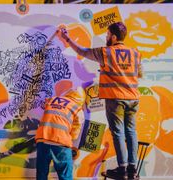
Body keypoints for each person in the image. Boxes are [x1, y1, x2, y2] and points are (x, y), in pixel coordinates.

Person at [57, 22, 143, 179]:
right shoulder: (135, 53)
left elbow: (82, 51)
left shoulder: (106, 52)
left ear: (114, 36)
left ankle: (122, 169)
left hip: (115, 98)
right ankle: (132, 169)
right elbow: (139, 74)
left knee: (117, 132)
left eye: (108, 34)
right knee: (131, 131)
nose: (106, 37)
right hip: (133, 98)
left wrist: (67, 39)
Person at [35, 87, 85, 180]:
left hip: (42, 139)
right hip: (61, 142)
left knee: (41, 172)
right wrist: (71, 140)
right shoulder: (77, 108)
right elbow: (75, 131)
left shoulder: (52, 99)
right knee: (65, 174)